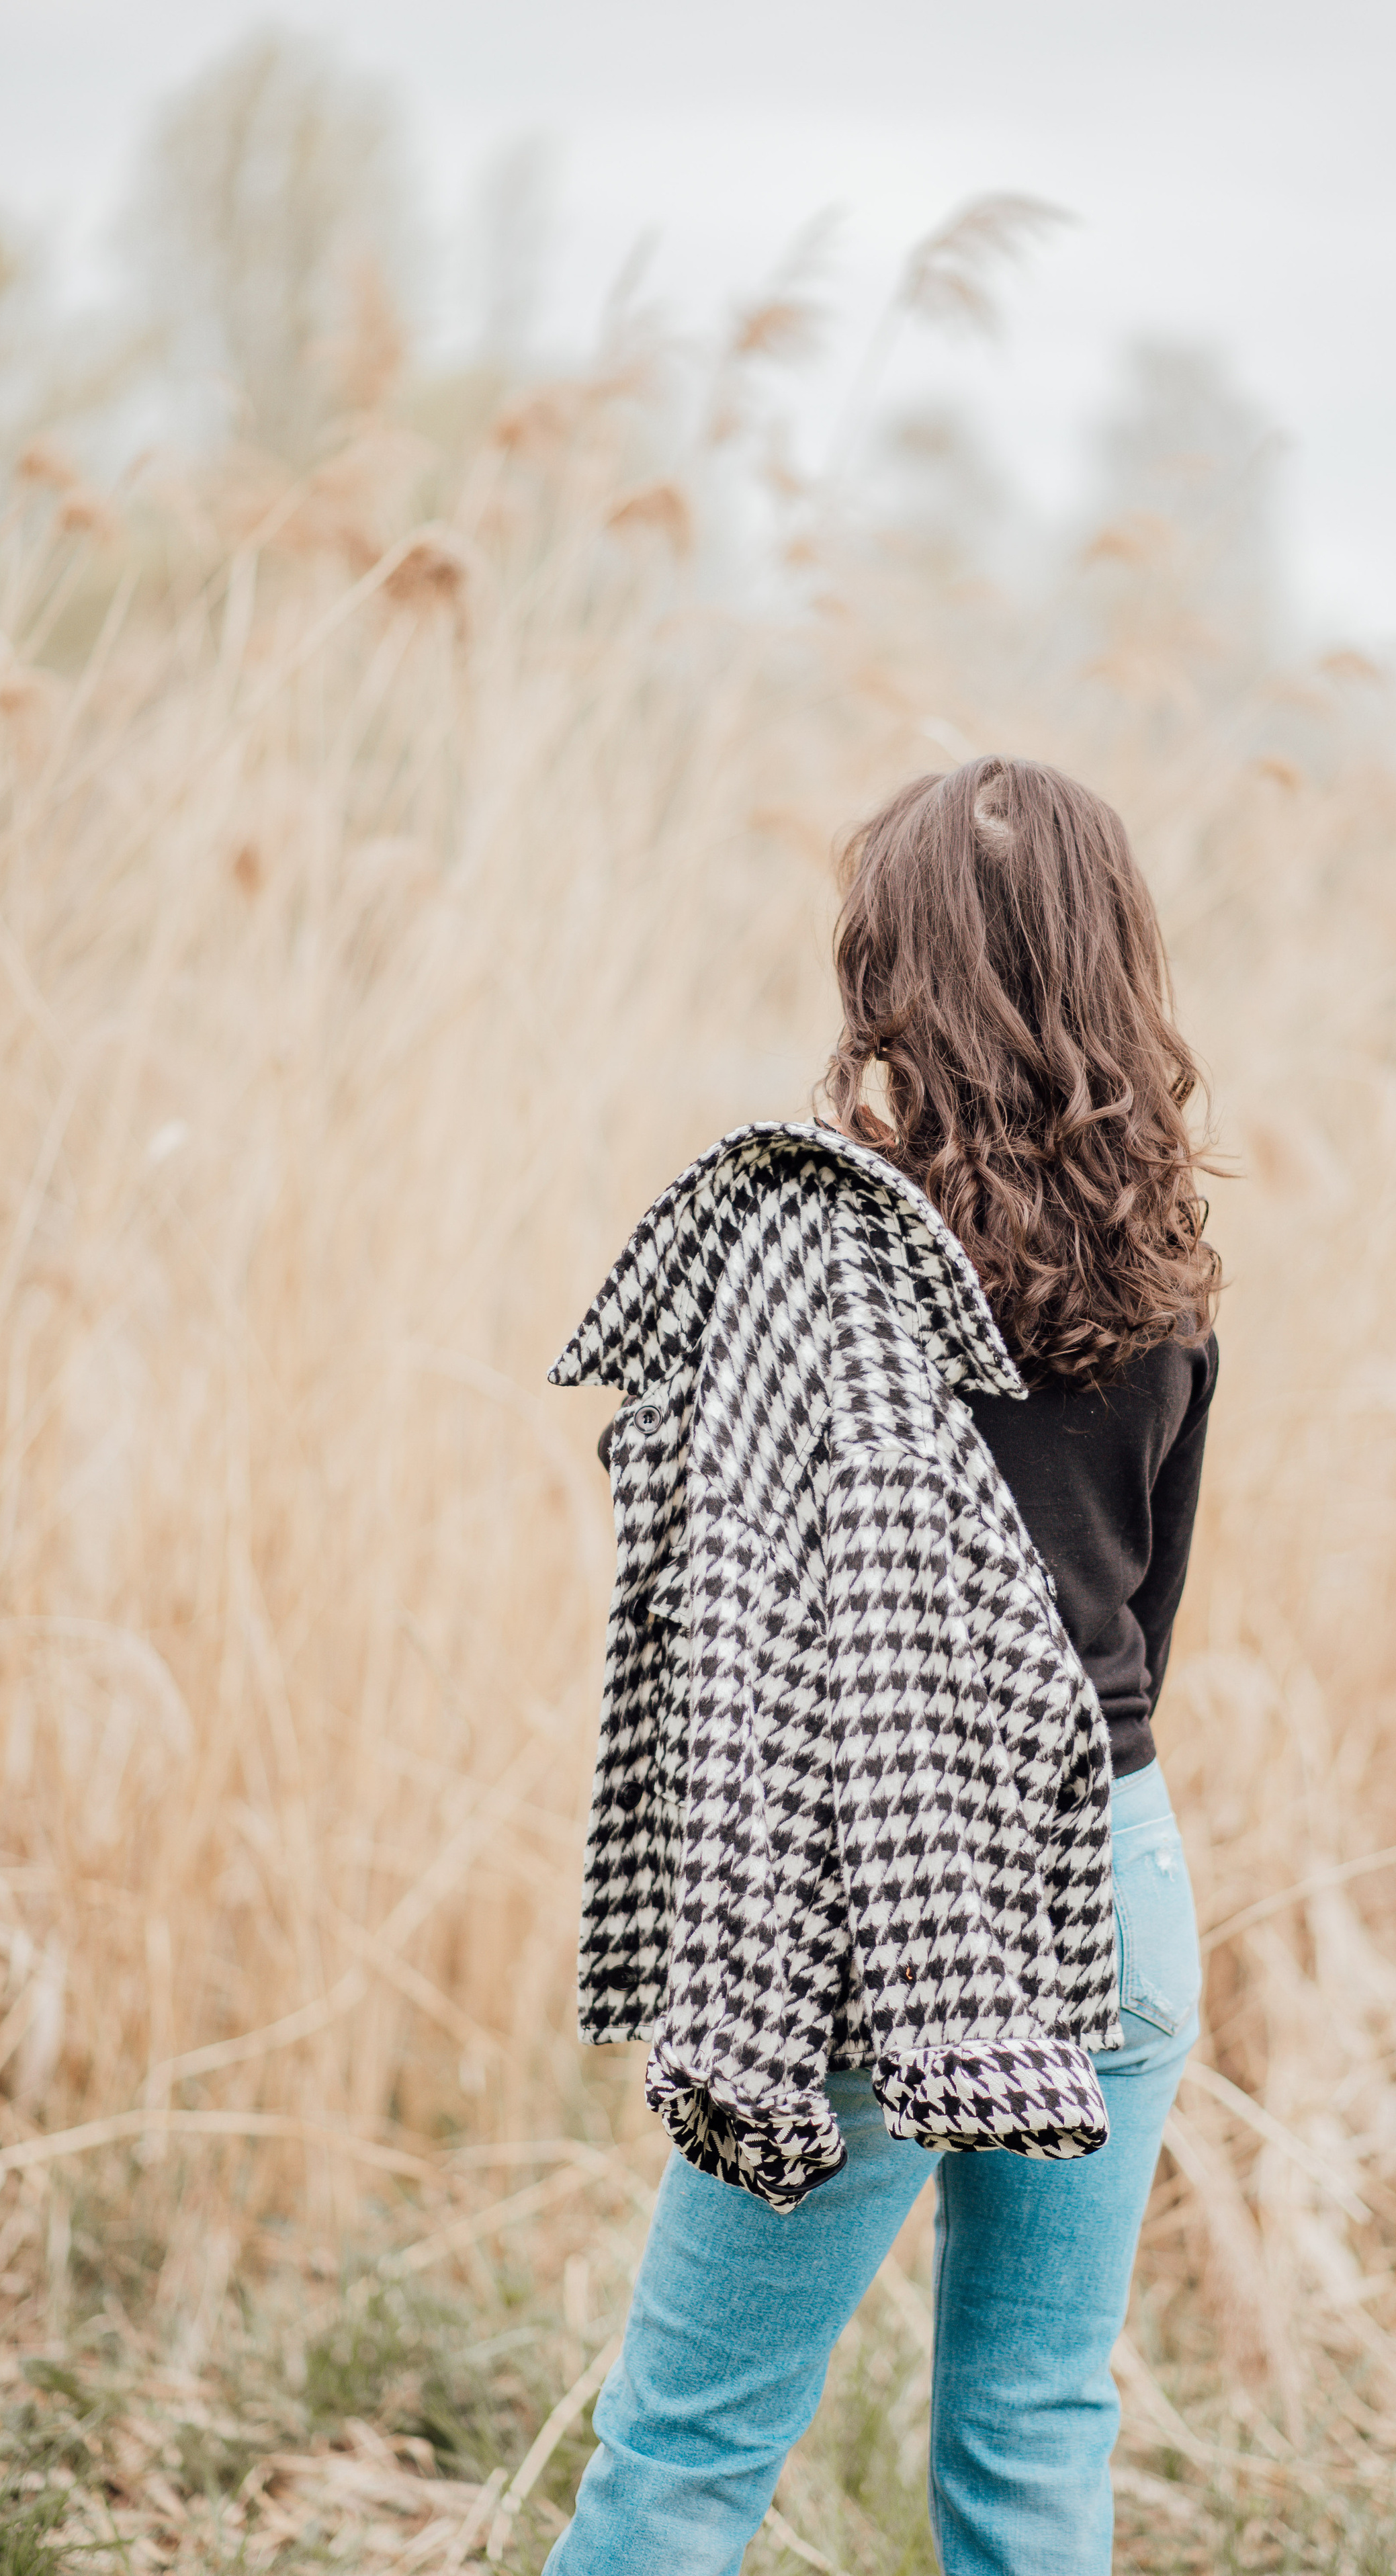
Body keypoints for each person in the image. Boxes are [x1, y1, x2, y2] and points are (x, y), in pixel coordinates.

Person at [543, 757, 1221, 2575]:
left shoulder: (805, 1250)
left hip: (876, 1887)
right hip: (1115, 1866)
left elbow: (722, 1597)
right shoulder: (1164, 1271)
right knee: (1036, 2431)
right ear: (1110, 956)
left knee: (686, 2441)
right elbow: (1141, 1632)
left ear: (889, 962)